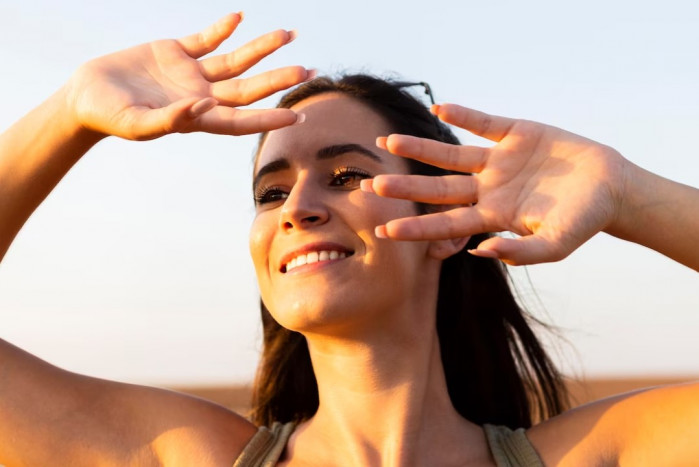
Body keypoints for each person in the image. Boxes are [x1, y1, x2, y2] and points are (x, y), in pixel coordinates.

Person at [1, 12, 697, 466]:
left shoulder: (592, 456)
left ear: (445, 225)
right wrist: (68, 116)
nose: (296, 206)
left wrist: (632, 196)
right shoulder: (184, 455)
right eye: (270, 192)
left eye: (343, 176)